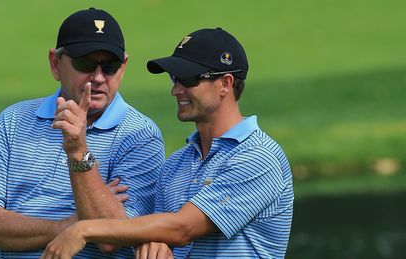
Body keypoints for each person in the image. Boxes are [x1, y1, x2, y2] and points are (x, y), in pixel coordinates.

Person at [41, 27, 294, 259]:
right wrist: (156, 244)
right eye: (175, 78)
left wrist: (85, 229)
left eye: (189, 79)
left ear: (225, 83)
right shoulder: (175, 165)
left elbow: (182, 228)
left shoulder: (258, 157)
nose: (176, 90)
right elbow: (163, 236)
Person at [0, 7, 165, 258]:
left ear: (123, 67)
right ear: (55, 64)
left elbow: (113, 238)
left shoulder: (140, 135)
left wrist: (79, 151)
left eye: (110, 66)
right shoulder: (12, 122)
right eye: (85, 63)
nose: (99, 77)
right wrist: (70, 226)